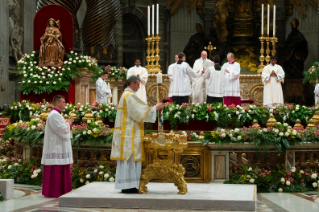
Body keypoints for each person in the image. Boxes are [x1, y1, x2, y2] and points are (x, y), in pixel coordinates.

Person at [110, 75, 164, 193]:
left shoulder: (126, 95)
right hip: (129, 134)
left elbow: (138, 111)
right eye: (138, 85)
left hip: (128, 132)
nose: (139, 87)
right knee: (129, 159)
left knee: (129, 160)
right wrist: (155, 108)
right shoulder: (129, 96)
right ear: (132, 84)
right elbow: (139, 112)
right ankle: (129, 186)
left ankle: (129, 185)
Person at [41, 95, 74, 198]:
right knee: (56, 167)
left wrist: (67, 124)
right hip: (56, 148)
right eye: (63, 102)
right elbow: (61, 129)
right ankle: (55, 191)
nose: (65, 104)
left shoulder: (57, 114)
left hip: (58, 146)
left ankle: (62, 190)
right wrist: (68, 123)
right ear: (58, 103)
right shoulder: (54, 115)